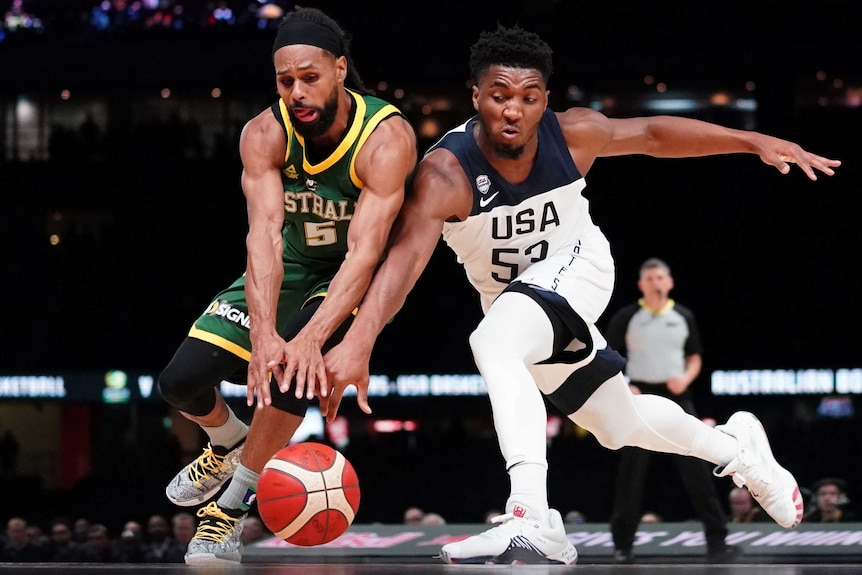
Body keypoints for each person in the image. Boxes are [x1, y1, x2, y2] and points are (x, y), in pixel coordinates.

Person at [319, 24, 840, 565]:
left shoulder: (573, 135)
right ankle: (739, 450)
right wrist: (361, 340)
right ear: (476, 98)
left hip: (579, 269)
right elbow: (401, 267)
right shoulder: (444, 175)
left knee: (494, 344)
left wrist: (751, 140)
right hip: (516, 302)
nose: (514, 110)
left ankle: (529, 517)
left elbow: (655, 135)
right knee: (617, 425)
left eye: (529, 98)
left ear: (545, 99)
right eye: (500, 97)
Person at [156, 6, 417, 565]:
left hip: (345, 275)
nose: (296, 91)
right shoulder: (264, 133)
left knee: (295, 373)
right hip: (291, 265)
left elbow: (365, 254)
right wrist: (267, 330)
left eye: (309, 77)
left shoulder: (385, 137)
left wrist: (306, 339)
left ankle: (231, 504)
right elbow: (264, 238)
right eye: (285, 80)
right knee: (179, 384)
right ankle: (228, 442)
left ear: (341, 69)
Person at [606, 258, 736, 564]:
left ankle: (717, 542)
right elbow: (607, 356)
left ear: (670, 282)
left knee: (698, 469)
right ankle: (622, 545)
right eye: (649, 278)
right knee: (631, 475)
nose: (655, 283)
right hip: (638, 398)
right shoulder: (628, 316)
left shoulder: (683, 316)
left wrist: (687, 377)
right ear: (641, 285)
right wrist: (626, 385)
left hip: (677, 397)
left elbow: (695, 357)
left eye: (660, 277)